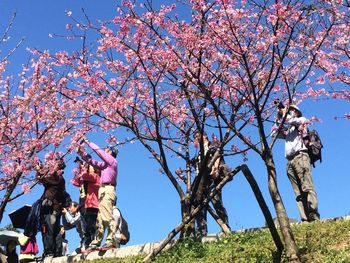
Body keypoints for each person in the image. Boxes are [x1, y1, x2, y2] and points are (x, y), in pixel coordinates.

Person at [275, 104, 320, 222]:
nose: (289, 112)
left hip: (301, 156)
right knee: (298, 192)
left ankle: (313, 214)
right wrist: (278, 117)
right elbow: (275, 133)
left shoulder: (301, 120)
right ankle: (305, 218)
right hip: (290, 160)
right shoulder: (289, 128)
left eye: (291, 110)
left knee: (307, 187)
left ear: (296, 112)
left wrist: (285, 114)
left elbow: (291, 120)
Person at [78, 138, 118, 249]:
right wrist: (83, 154)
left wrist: (87, 141)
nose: (105, 150)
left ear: (111, 152)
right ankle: (96, 242)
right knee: (99, 218)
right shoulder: (105, 165)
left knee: (107, 216)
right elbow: (92, 162)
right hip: (103, 189)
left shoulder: (112, 161)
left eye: (107, 150)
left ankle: (111, 240)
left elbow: (98, 152)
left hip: (108, 189)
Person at [192, 131, 231, 238]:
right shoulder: (199, 152)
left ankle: (226, 227)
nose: (196, 139)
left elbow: (218, 154)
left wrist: (215, 168)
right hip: (201, 179)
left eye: (197, 136)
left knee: (216, 201)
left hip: (212, 177)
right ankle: (201, 232)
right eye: (194, 137)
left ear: (204, 135)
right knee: (199, 204)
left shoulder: (212, 144)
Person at [35, 157, 67, 258]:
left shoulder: (55, 177)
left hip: (50, 208)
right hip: (56, 208)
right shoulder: (61, 179)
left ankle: (49, 251)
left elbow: (42, 179)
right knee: (56, 230)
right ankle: (57, 251)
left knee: (49, 229)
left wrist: (38, 170)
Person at [71, 160, 100, 250]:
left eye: (89, 167)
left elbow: (85, 176)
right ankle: (87, 244)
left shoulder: (96, 176)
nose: (88, 168)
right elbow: (75, 182)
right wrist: (79, 170)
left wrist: (82, 168)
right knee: (85, 227)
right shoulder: (85, 180)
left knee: (92, 226)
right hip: (84, 205)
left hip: (93, 205)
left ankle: (92, 243)